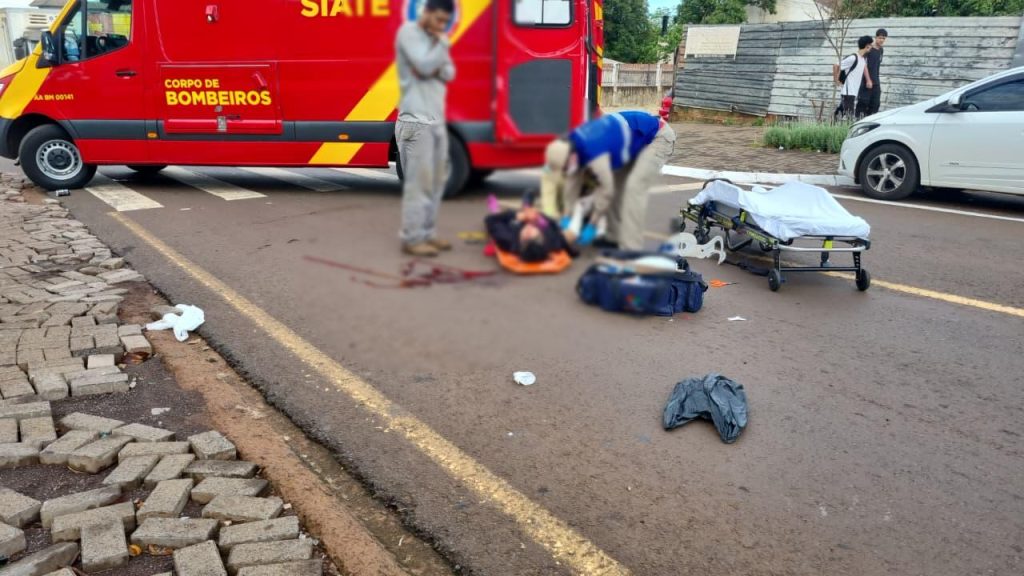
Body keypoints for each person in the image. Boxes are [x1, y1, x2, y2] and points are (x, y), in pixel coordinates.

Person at [539, 111, 677, 251]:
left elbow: (606, 190)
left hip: (658, 138)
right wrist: (566, 217)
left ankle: (631, 250)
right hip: (631, 144)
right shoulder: (572, 143)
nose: (565, 171)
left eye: (565, 167)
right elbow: (572, 180)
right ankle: (613, 238)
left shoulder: (594, 150)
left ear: (571, 157)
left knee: (633, 189)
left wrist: (592, 224)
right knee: (617, 186)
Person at [394, 0, 456, 257]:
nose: (442, 27)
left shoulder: (432, 41)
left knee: (435, 185)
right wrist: (440, 46)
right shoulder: (409, 33)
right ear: (426, 13)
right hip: (416, 122)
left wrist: (435, 60)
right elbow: (425, 66)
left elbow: (449, 73)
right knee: (418, 187)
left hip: (435, 121)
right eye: (439, 20)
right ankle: (412, 238)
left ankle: (427, 233)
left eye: (445, 22)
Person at [836, 36, 874, 120]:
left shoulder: (862, 59)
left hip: (853, 91)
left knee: (840, 111)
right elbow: (836, 65)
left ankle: (830, 126)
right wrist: (836, 80)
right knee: (849, 115)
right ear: (867, 45)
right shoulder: (853, 58)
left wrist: (868, 80)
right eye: (871, 45)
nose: (872, 47)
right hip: (848, 91)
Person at [857, 28, 887, 118]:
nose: (881, 40)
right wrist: (868, 80)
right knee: (863, 104)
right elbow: (863, 64)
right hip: (866, 82)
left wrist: (874, 80)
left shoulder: (881, 50)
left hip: (876, 82)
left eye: (884, 38)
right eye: (880, 37)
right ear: (876, 37)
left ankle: (869, 124)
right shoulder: (869, 49)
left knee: (875, 104)